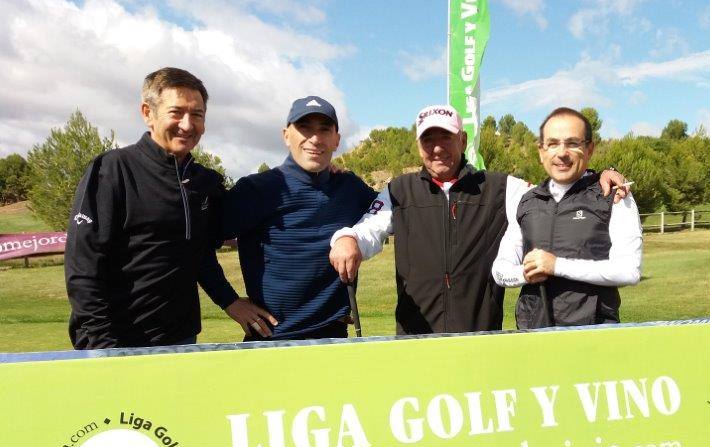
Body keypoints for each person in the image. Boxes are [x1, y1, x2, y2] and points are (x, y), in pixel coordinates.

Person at [327, 104, 627, 335]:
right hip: (415, 340)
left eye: (446, 137)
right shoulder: (399, 190)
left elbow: (554, 194)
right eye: (428, 139)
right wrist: (348, 238)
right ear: (418, 145)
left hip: (481, 339)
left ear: (463, 139)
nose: (437, 147)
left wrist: (594, 176)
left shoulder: (500, 187)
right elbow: (370, 229)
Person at [64, 67, 256, 349]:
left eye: (197, 115)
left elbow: (200, 253)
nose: (187, 125)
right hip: (114, 341)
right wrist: (103, 345)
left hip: (181, 338)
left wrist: (229, 301)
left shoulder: (205, 183)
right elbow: (84, 266)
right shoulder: (112, 170)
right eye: (176, 112)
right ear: (148, 113)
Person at [209, 96, 377, 341]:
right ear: (286, 136)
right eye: (304, 128)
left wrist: (353, 236)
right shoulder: (256, 189)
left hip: (334, 337)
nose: (315, 138)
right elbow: (199, 245)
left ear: (336, 140)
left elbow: (392, 213)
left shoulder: (350, 187)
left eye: (324, 129)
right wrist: (229, 301)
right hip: (271, 341)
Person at [490, 107, 642, 328]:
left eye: (572, 143)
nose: (562, 153)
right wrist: (525, 273)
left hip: (594, 336)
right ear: (541, 151)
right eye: (552, 144)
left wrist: (556, 266)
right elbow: (500, 271)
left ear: (589, 149)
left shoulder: (615, 194)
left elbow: (629, 272)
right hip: (533, 337)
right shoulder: (527, 201)